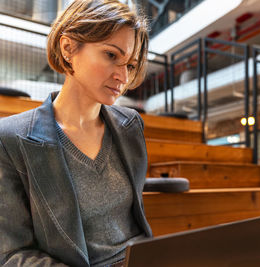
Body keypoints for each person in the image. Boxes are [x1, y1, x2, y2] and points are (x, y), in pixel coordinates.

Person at [0, 0, 152, 266]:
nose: (122, 77)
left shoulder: (131, 125)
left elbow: (135, 226)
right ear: (68, 48)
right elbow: (12, 254)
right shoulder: (10, 138)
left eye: (129, 65)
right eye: (111, 55)